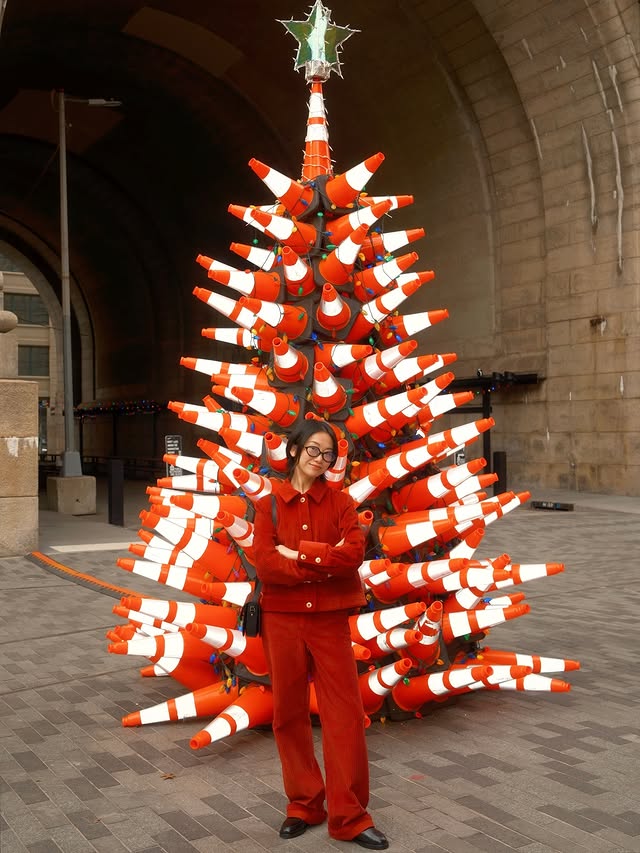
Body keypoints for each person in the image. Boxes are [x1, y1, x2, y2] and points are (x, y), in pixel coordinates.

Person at [252, 419, 389, 851]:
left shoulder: (342, 503)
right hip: (282, 620)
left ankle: (350, 816)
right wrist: (317, 564)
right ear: (294, 451)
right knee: (289, 714)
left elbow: (352, 556)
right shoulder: (269, 502)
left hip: (330, 622)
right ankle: (304, 804)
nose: (320, 460)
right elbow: (266, 564)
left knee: (344, 716)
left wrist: (299, 553)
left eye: (328, 454)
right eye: (313, 450)